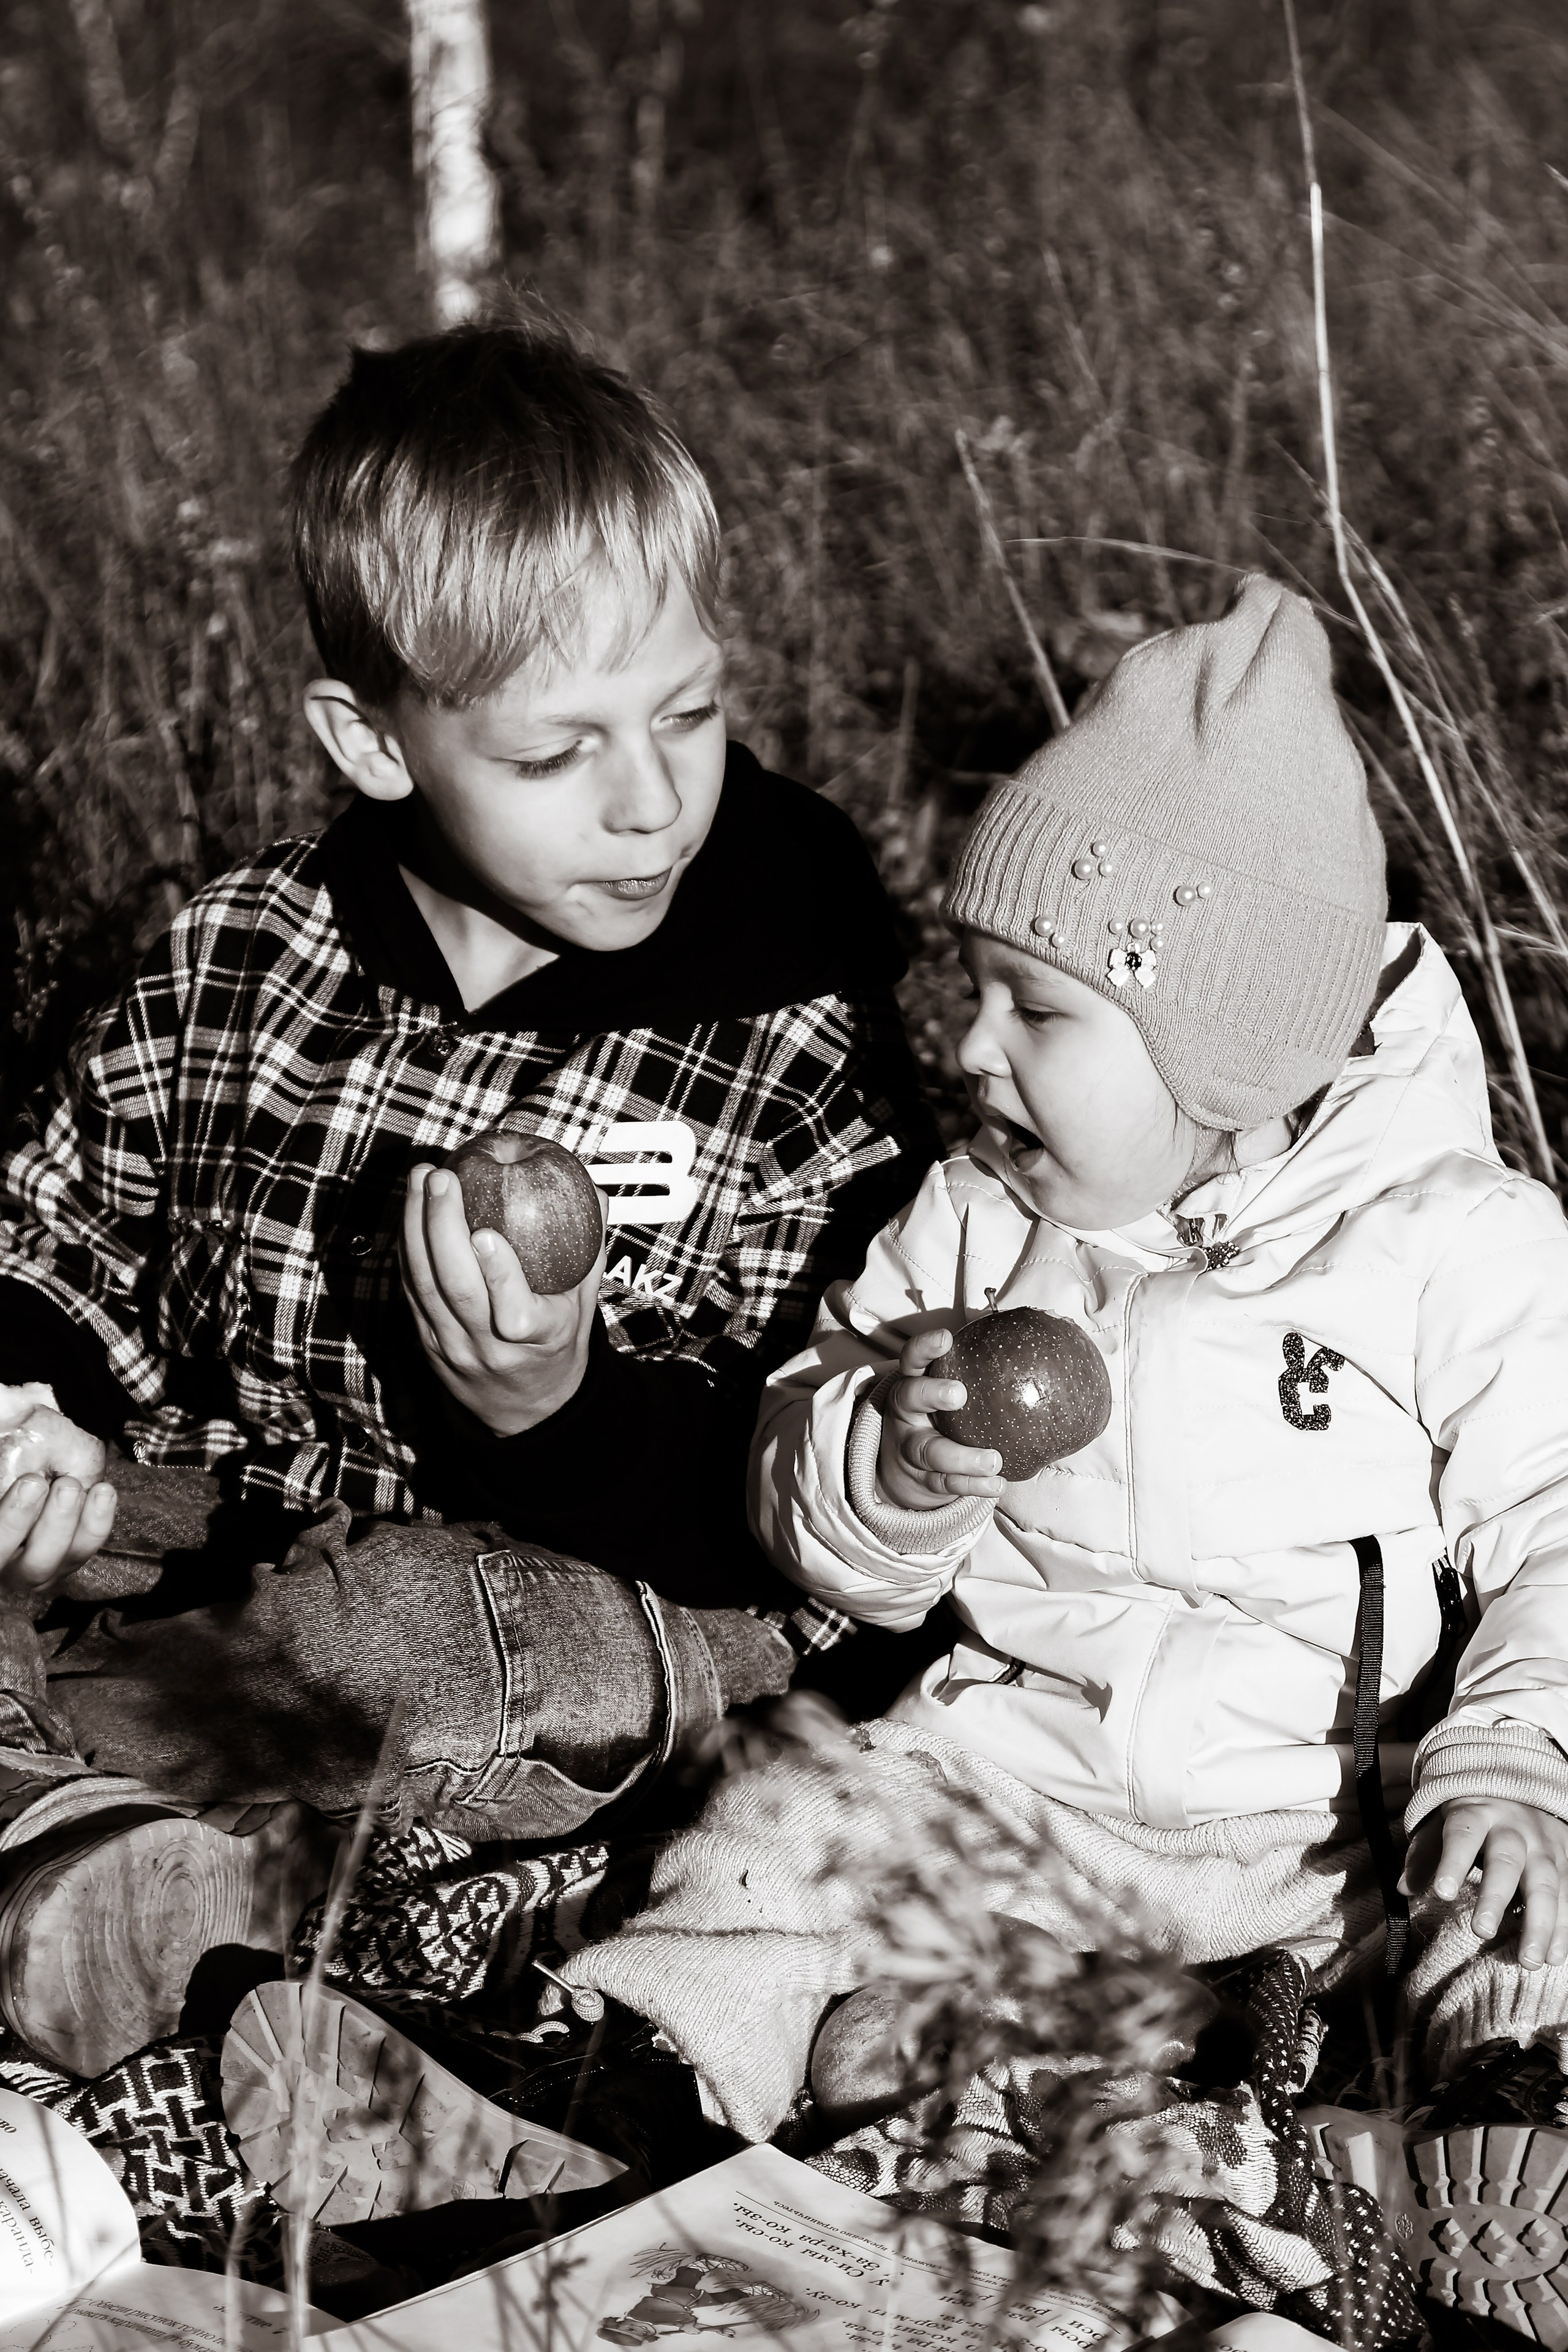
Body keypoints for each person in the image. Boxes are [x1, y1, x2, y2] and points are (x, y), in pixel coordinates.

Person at [0, 322, 936, 2076]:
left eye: (689, 713)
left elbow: (825, 1509)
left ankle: (69, 1816)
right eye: (555, 752)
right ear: (373, 741)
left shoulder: (791, 1041)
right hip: (226, 1526)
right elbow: (65, 1231)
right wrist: (28, 1402)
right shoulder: (245, 955)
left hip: (599, 1611)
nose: (651, 799)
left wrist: (555, 1411)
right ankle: (139, 1868)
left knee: (413, 1626)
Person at [558, 574, 1568, 2149]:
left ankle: (1495, 2123)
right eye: (973, 992)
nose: (969, 1048)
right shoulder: (963, 1230)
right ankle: (644, 2084)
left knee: (1515, 1915)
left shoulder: (1450, 1245)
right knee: (790, 1813)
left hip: (1325, 1840)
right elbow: (818, 1526)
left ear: (1217, 1057)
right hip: (1015, 1797)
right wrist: (887, 1471)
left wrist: (1508, 1759)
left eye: (1036, 1009)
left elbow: (1556, 1530)